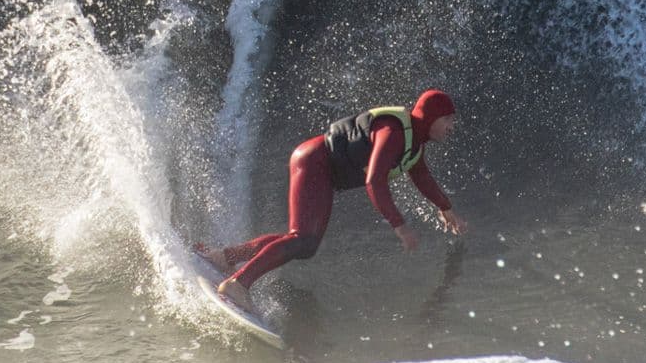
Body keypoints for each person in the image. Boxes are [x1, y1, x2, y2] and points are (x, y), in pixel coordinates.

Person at [198, 89, 468, 313]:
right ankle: (237, 284)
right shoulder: (393, 131)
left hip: (323, 172)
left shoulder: (413, 145)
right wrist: (399, 225)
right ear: (430, 117)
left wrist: (445, 207)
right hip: (314, 161)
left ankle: (225, 257)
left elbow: (421, 175)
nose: (451, 127)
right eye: (447, 119)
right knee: (301, 239)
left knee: (305, 244)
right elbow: (375, 181)